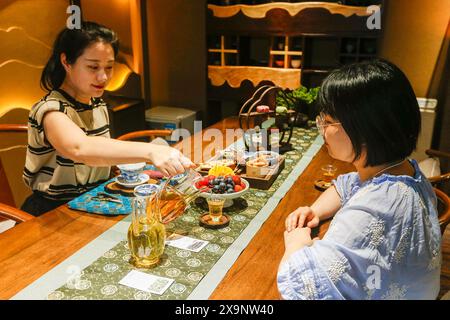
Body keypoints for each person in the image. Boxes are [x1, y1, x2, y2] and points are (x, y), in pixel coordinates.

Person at [277, 59, 441, 300]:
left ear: (365, 128)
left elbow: (303, 289)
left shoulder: (379, 207)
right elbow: (347, 185)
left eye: (329, 121)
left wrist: (295, 242)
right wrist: (314, 211)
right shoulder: (402, 171)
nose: (321, 127)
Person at [22, 22, 194, 216]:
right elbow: (80, 148)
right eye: (93, 66)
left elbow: (97, 158)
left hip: (94, 202)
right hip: (54, 212)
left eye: (109, 67)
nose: (103, 76)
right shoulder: (50, 110)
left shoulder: (97, 105)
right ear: (66, 62)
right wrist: (153, 150)